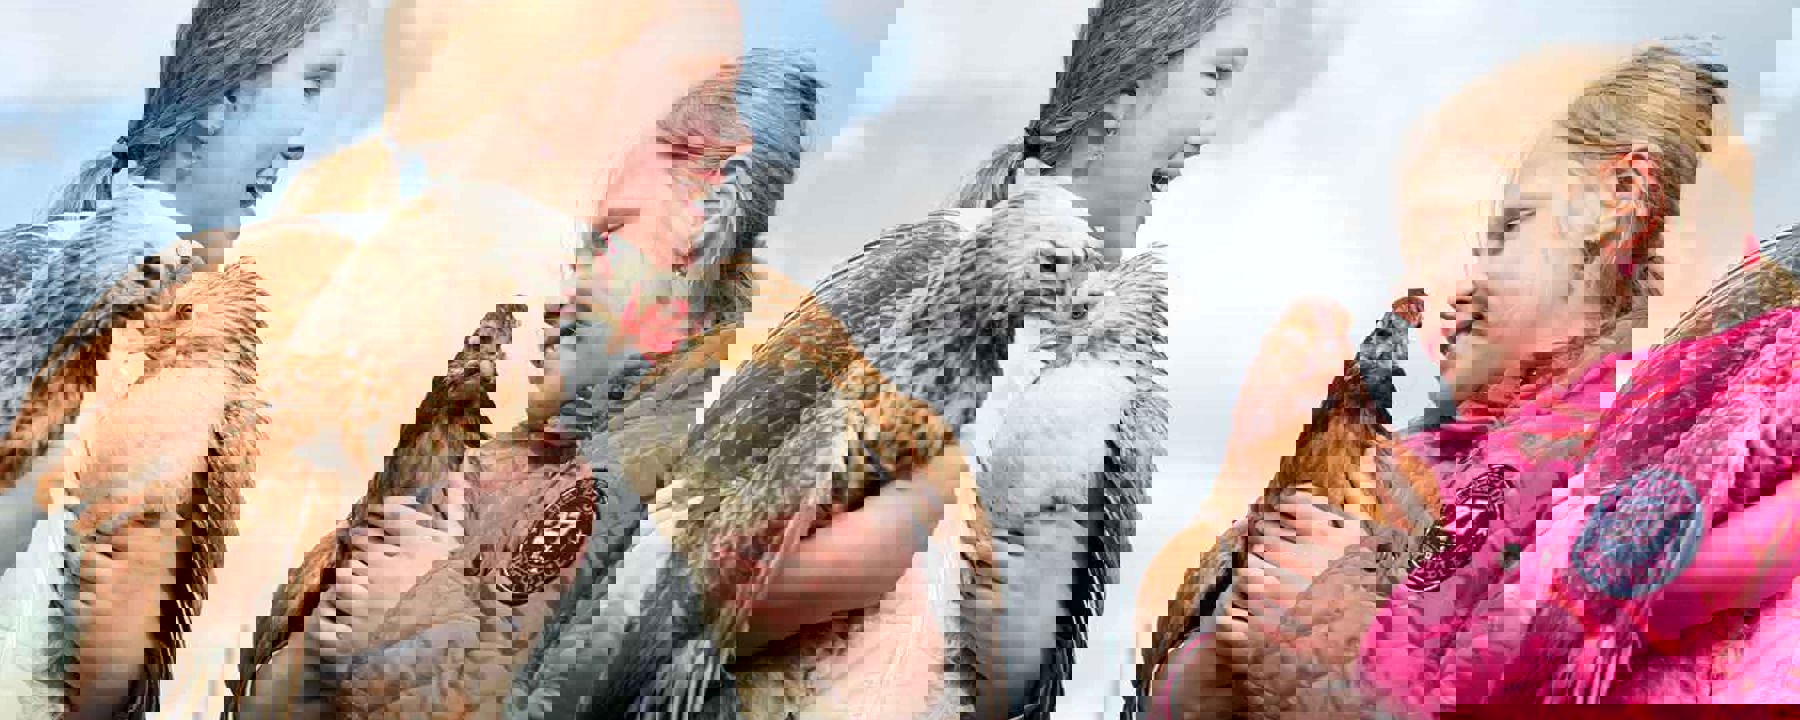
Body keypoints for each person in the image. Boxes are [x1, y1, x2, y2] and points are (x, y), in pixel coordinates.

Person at [1135, 42, 1732, 717]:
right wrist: (1229, 644)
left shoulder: (1624, 493)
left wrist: (1319, 659)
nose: (1460, 287)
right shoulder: (1403, 462)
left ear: (1620, 198)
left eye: (1508, 230)